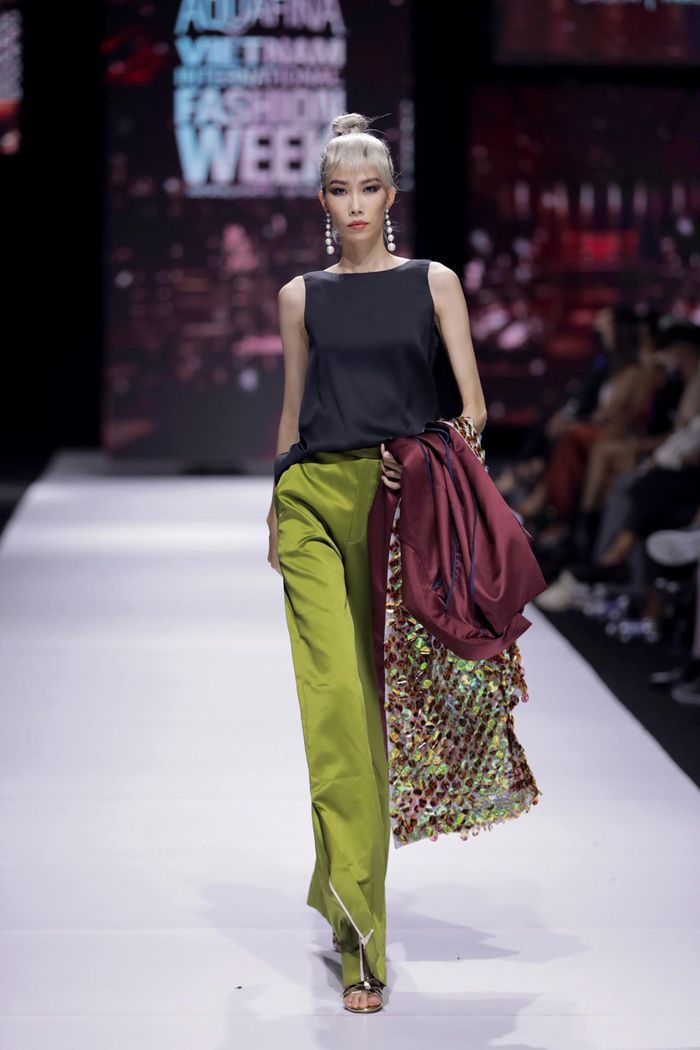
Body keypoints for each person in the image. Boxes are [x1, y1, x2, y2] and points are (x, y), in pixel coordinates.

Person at [266, 111, 489, 1014]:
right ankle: (363, 939)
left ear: (389, 196)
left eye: (368, 188)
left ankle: (342, 891)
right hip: (311, 500)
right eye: (339, 190)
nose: (354, 204)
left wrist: (425, 456)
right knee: (332, 710)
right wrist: (275, 501)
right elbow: (292, 413)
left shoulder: (434, 283)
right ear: (323, 201)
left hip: (394, 506)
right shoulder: (299, 296)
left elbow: (473, 409)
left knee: (371, 712)